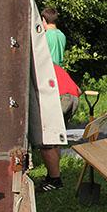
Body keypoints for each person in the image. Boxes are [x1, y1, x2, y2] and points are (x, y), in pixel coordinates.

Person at [36, 64, 81, 192]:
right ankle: (54, 175)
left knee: (46, 141)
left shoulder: (33, 64)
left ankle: (54, 181)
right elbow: (78, 90)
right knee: (55, 138)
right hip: (73, 97)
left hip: (59, 97)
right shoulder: (49, 63)